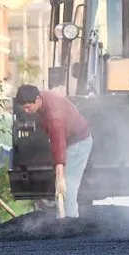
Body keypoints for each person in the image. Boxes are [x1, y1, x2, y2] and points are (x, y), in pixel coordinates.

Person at [16, 83, 91, 218]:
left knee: (67, 188)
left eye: (28, 107)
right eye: (24, 108)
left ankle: (69, 223)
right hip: (69, 140)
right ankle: (63, 219)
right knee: (61, 186)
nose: (26, 111)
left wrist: (60, 176)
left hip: (79, 143)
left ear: (37, 99)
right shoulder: (42, 98)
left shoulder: (54, 117)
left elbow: (59, 144)